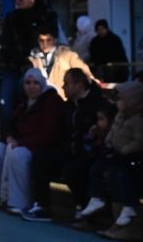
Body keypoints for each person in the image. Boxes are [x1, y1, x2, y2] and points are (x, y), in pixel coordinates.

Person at [0, 68, 67, 217]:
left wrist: (20, 142)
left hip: (41, 148)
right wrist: (10, 137)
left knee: (18, 154)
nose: (31, 86)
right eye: (28, 83)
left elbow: (47, 135)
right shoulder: (24, 102)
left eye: (36, 83)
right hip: (22, 143)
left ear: (42, 84)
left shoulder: (52, 102)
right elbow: (11, 125)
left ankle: (19, 202)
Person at [30, 67, 111, 222]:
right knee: (41, 157)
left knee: (73, 169)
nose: (63, 87)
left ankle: (84, 207)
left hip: (90, 153)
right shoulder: (69, 106)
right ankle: (42, 205)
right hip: (70, 150)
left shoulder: (97, 104)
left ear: (79, 86)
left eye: (67, 84)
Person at [93, 80, 143, 241]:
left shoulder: (140, 119)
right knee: (110, 175)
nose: (118, 102)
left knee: (123, 178)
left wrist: (124, 150)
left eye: (121, 99)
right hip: (117, 157)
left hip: (134, 160)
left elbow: (141, 141)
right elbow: (113, 132)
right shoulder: (120, 116)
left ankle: (133, 227)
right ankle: (118, 223)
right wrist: (109, 144)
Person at [0, 0, 58, 131]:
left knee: (34, 105)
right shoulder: (11, 17)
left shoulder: (46, 16)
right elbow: (5, 42)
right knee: (6, 106)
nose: (17, 0)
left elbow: (50, 41)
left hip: (36, 66)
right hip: (12, 66)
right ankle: (8, 137)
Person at [29, 29, 93, 94]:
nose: (45, 43)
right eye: (41, 40)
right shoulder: (34, 58)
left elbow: (84, 71)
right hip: (43, 96)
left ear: (55, 40)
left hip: (62, 96)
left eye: (48, 40)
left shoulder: (68, 55)